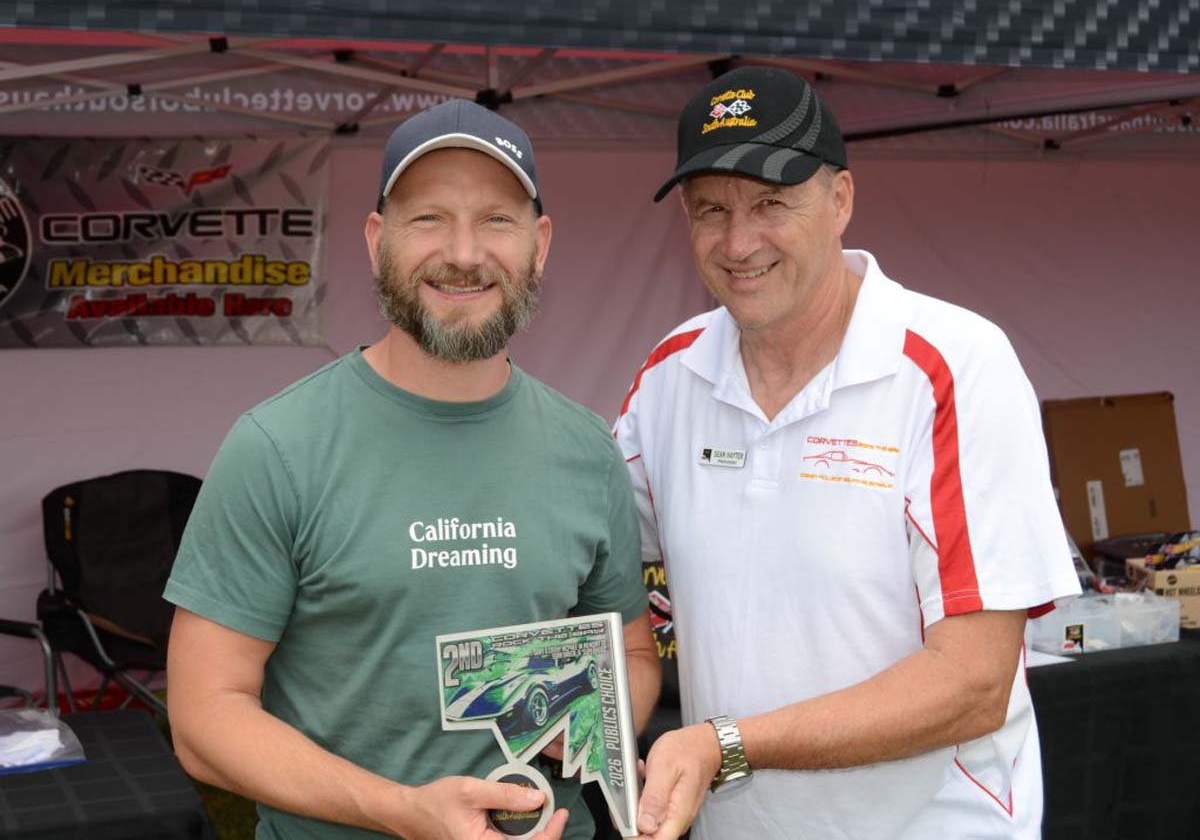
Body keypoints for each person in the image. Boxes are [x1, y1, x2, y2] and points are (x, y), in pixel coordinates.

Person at [164, 99, 660, 840]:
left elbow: (633, 653)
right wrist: (401, 811)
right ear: (376, 241)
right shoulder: (277, 446)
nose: (463, 252)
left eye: (496, 219)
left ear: (540, 245)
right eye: (428, 218)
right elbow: (204, 718)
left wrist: (593, 713)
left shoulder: (588, 448)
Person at [614, 67, 1080, 840]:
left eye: (771, 203)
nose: (738, 242)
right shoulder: (670, 375)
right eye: (711, 210)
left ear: (840, 200)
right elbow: (582, 554)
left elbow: (974, 681)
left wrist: (728, 742)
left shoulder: (954, 367)